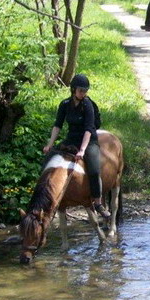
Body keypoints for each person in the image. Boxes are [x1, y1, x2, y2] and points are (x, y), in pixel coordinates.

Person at [42, 74, 110, 220]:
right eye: (81, 90)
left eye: (85, 91)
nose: (83, 93)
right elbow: (57, 125)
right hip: (71, 139)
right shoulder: (65, 104)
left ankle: (98, 203)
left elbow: (88, 129)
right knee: (48, 159)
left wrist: (83, 150)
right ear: (73, 89)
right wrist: (50, 144)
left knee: (94, 169)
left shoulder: (88, 105)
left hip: (89, 141)